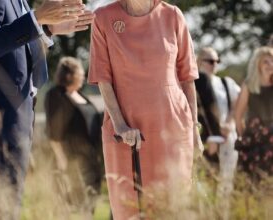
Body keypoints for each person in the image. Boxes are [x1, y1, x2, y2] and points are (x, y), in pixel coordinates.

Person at [0, 0, 95, 219]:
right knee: (1, 201)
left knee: (7, 199)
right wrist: (36, 18)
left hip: (17, 111)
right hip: (0, 114)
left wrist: (47, 28)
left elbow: (14, 48)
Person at [88, 0, 203, 219]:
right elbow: (103, 78)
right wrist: (120, 125)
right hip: (126, 130)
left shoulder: (172, 15)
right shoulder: (102, 17)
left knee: (173, 208)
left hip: (173, 128)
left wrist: (194, 129)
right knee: (129, 210)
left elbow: (187, 77)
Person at [44, 57, 103, 218]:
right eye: (80, 73)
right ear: (69, 75)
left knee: (89, 205)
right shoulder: (56, 95)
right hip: (71, 161)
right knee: (72, 205)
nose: (83, 76)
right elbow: (54, 132)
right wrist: (61, 159)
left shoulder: (80, 95)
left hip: (90, 160)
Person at [196, 47, 240, 220]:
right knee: (209, 182)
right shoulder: (195, 83)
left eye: (217, 61)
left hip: (228, 138)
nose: (214, 64)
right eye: (210, 61)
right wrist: (211, 134)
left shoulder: (226, 82)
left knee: (228, 182)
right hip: (207, 140)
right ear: (199, 62)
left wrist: (229, 123)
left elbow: (238, 104)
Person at [234, 46, 273, 179]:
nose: (270, 65)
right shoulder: (248, 85)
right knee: (252, 183)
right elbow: (238, 116)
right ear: (258, 64)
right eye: (266, 62)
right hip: (253, 142)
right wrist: (244, 136)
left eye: (272, 61)